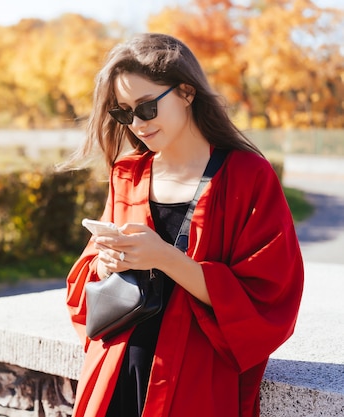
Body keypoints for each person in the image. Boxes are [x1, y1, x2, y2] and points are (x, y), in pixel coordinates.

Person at [62, 33, 304, 417]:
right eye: (123, 112)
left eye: (146, 107)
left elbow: (270, 295)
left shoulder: (247, 176)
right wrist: (106, 262)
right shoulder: (126, 173)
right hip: (113, 371)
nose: (137, 124)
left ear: (186, 92)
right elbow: (86, 280)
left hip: (195, 382)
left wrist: (164, 258)